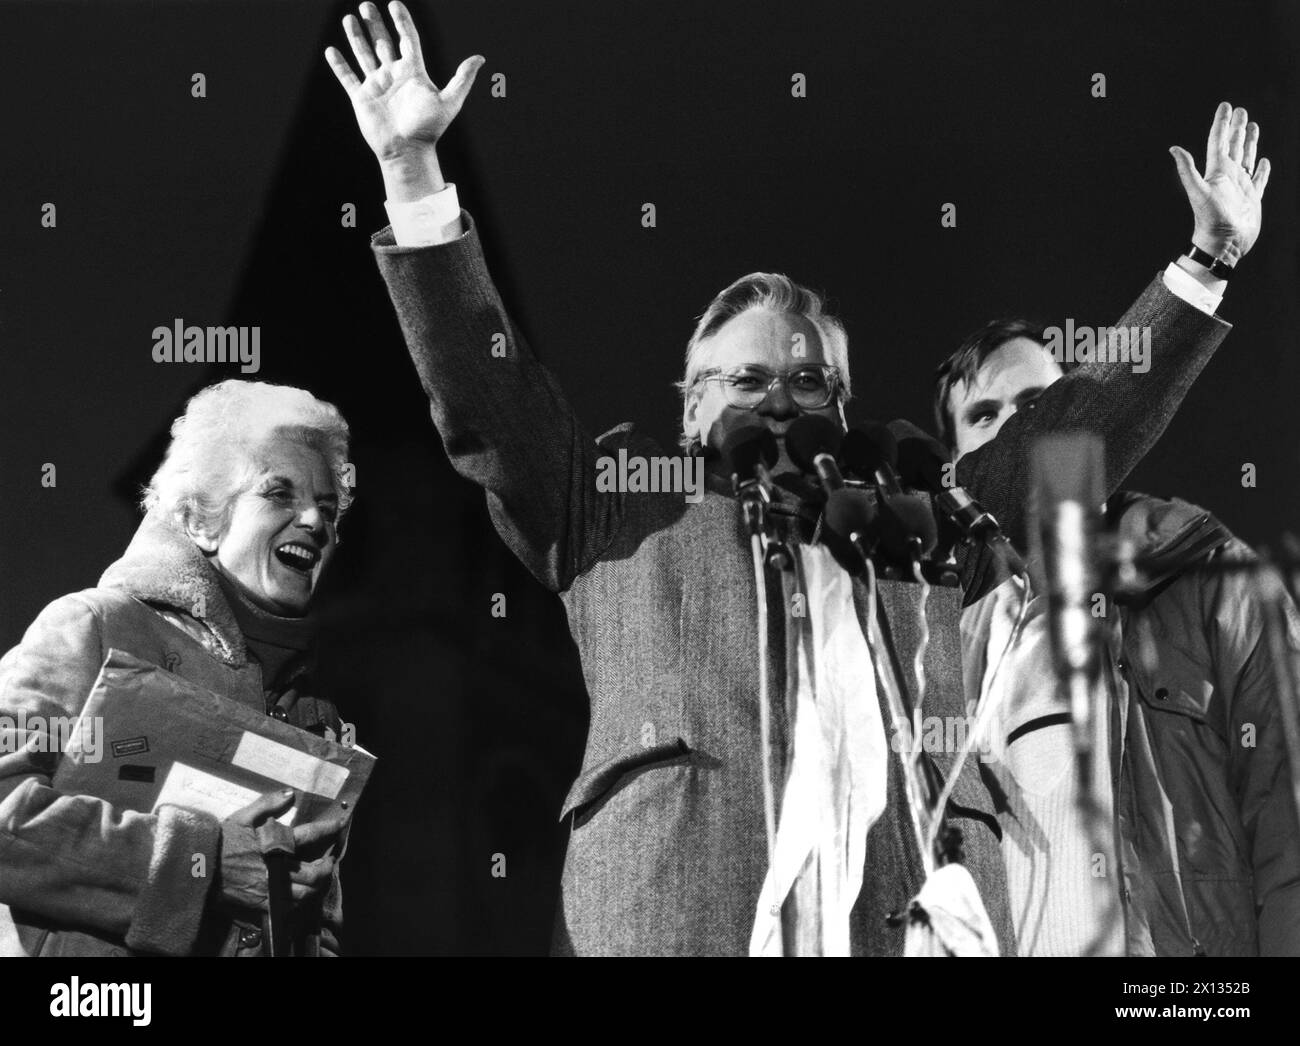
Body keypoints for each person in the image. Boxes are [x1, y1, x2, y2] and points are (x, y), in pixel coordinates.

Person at [327, 1, 1237, 954]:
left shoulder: (927, 513)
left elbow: (1075, 433)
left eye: (810, 382)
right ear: (688, 406)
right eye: (748, 379)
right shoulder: (609, 501)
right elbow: (488, 387)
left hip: (909, 910)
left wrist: (1206, 263)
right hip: (681, 907)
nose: (780, 401)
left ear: (843, 406)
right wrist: (410, 172)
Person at [934, 254, 1300, 953]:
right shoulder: (933, 641)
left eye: (1041, 408)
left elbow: (1291, 827)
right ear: (959, 465)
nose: (1019, 433)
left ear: (1093, 422)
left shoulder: (1212, 580)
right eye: (985, 416)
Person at [0, 380, 354, 956]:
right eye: (279, 494)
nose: (315, 519)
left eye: (328, 508)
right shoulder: (96, 626)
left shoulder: (315, 715)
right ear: (199, 522)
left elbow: (321, 928)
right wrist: (203, 863)